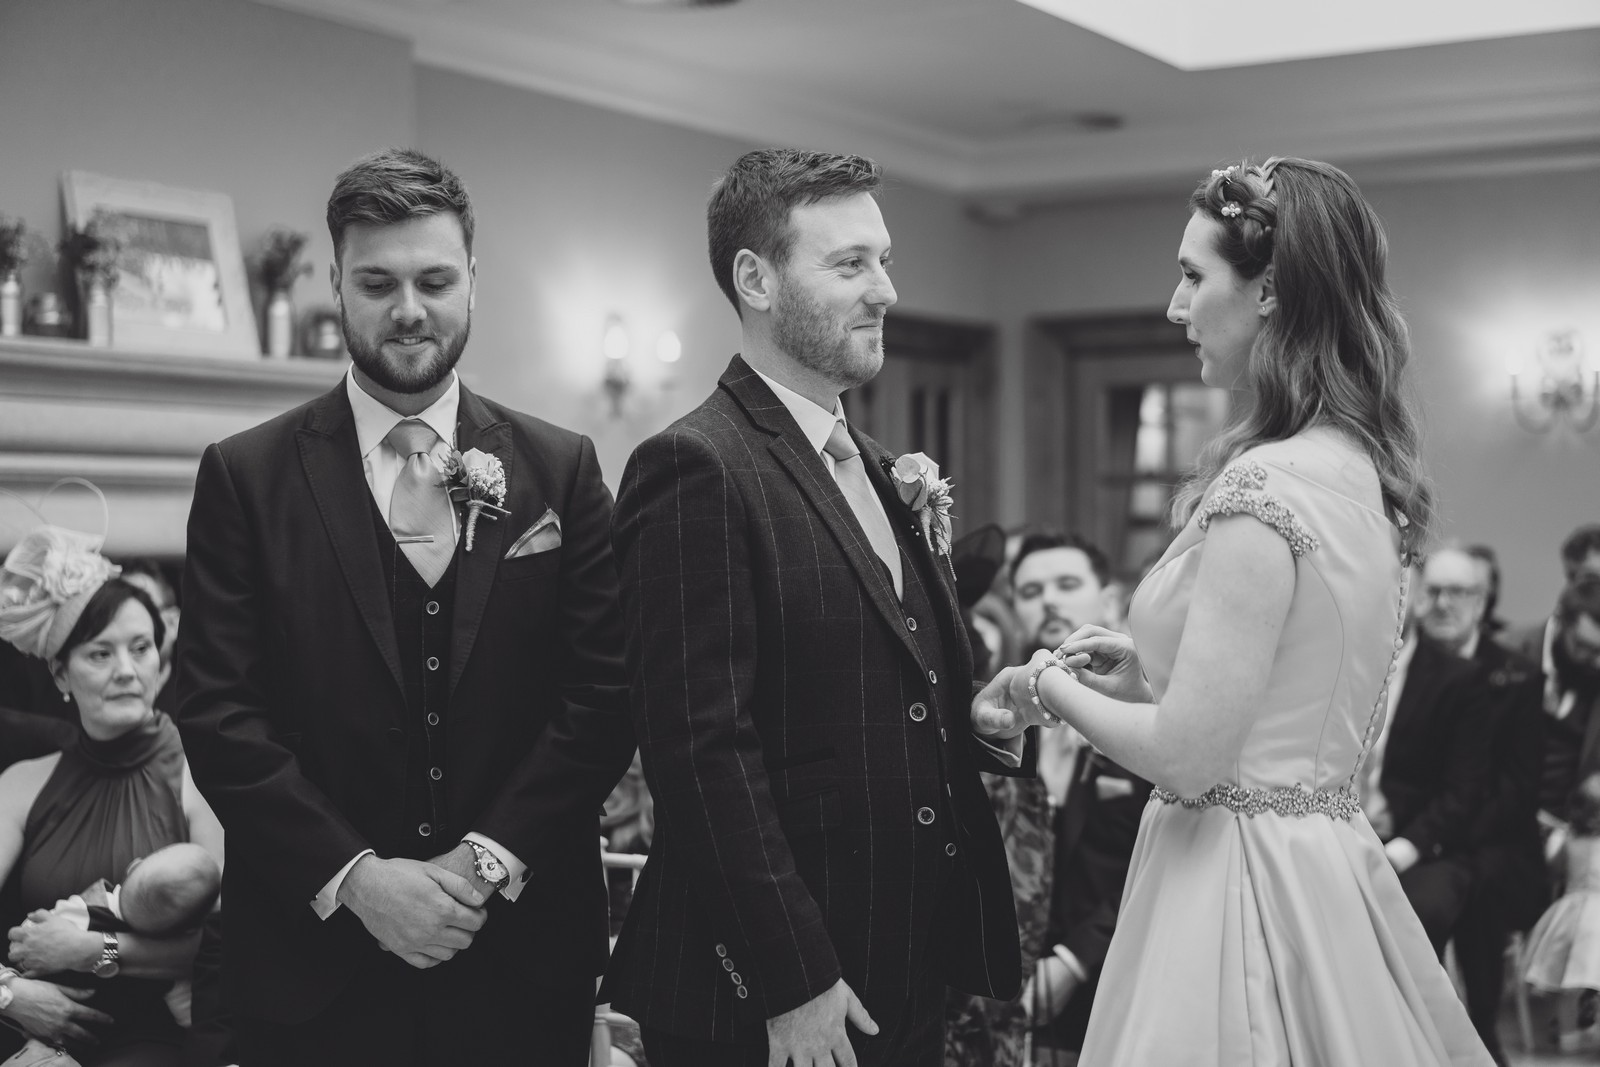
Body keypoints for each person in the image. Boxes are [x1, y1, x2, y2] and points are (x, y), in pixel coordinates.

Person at [974, 157, 1493, 1064]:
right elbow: (1286, 693)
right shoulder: (1360, 473)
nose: (1176, 307)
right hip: (1326, 865)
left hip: (1232, 880)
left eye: (1192, 275)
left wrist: (1045, 686)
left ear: (1268, 292)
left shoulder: (1263, 486)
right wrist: (1148, 675)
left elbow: (1190, 758)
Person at [173, 148, 635, 1066]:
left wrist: (485, 861)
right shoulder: (244, 475)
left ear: (474, 281)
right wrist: (358, 880)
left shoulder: (563, 468)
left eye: (435, 280)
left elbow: (604, 695)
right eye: (377, 282)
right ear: (337, 285)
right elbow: (218, 711)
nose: (409, 308)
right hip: (314, 971)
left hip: (519, 961)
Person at [603, 148, 1026, 1067]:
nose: (886, 290)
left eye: (884, 259)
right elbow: (699, 749)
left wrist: (973, 718)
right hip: (769, 995)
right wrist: (792, 978)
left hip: (901, 968)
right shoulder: (695, 465)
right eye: (850, 264)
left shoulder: (878, 467)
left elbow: (866, 695)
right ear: (756, 279)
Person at [0, 525, 226, 1067]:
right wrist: (10, 994)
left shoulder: (205, 778)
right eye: (100, 653)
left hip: (160, 1042)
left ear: (161, 661)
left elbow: (231, 945)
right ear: (61, 674)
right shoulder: (22, 785)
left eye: (141, 648)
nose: (126, 670)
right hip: (29, 1029)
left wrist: (93, 950)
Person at [946, 531, 1149, 1067]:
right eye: (1031, 591)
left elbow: (1162, 848)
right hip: (1000, 996)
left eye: (1067, 584)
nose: (1050, 601)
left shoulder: (1148, 711)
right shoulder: (995, 713)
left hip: (1114, 978)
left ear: (1109, 599)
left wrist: (1076, 959)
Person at [1418, 544, 1548, 1064]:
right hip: (1426, 829)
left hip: (1496, 839)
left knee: (1477, 883)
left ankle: (1481, 1033)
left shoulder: (1517, 676)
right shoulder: (1399, 663)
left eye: (1459, 592)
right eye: (1434, 591)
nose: (1443, 603)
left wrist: (1446, 835)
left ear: (1482, 600)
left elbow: (1519, 789)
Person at [1362, 554, 1492, 953]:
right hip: (1339, 827)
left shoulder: (1460, 679)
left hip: (1417, 841)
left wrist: (1399, 852)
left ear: (1417, 600)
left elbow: (1461, 793)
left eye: (1394, 590)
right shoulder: (1342, 659)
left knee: (1418, 909)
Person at [1512, 575, 1600, 820]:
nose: (1596, 660)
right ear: (1560, 620)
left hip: (1568, 822)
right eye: (1584, 646)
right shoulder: (1509, 652)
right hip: (1499, 817)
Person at [1523, 772, 1600, 1042]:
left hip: (1571, 912)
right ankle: (1574, 1033)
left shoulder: (1566, 838)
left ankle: (1569, 1034)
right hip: (1586, 914)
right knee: (1578, 977)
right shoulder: (1568, 838)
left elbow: (1554, 873)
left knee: (1570, 978)